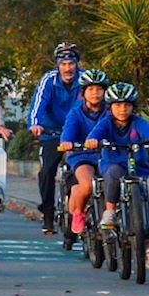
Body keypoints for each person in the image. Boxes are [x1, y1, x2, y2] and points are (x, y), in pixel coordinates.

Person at [82, 82, 149, 269]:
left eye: (127, 105)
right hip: (113, 164)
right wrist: (92, 140)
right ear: (110, 107)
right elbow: (95, 134)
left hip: (137, 166)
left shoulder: (137, 122)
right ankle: (110, 212)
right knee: (113, 173)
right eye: (118, 105)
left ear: (133, 107)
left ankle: (147, 249)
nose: (123, 109)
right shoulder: (105, 122)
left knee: (144, 204)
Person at [28, 43, 84, 235]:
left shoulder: (85, 81)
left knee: (85, 170)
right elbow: (38, 104)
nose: (67, 68)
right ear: (57, 65)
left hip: (78, 133)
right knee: (46, 172)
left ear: (77, 64)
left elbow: (96, 104)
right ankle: (48, 214)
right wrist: (35, 123)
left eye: (71, 63)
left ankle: (82, 211)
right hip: (52, 132)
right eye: (63, 64)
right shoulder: (49, 81)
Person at [56, 68, 110, 244]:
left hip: (106, 156)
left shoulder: (111, 111)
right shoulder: (76, 113)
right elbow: (68, 132)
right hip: (82, 155)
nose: (95, 93)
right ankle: (78, 213)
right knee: (87, 185)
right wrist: (67, 142)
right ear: (83, 92)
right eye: (91, 89)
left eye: (99, 89)